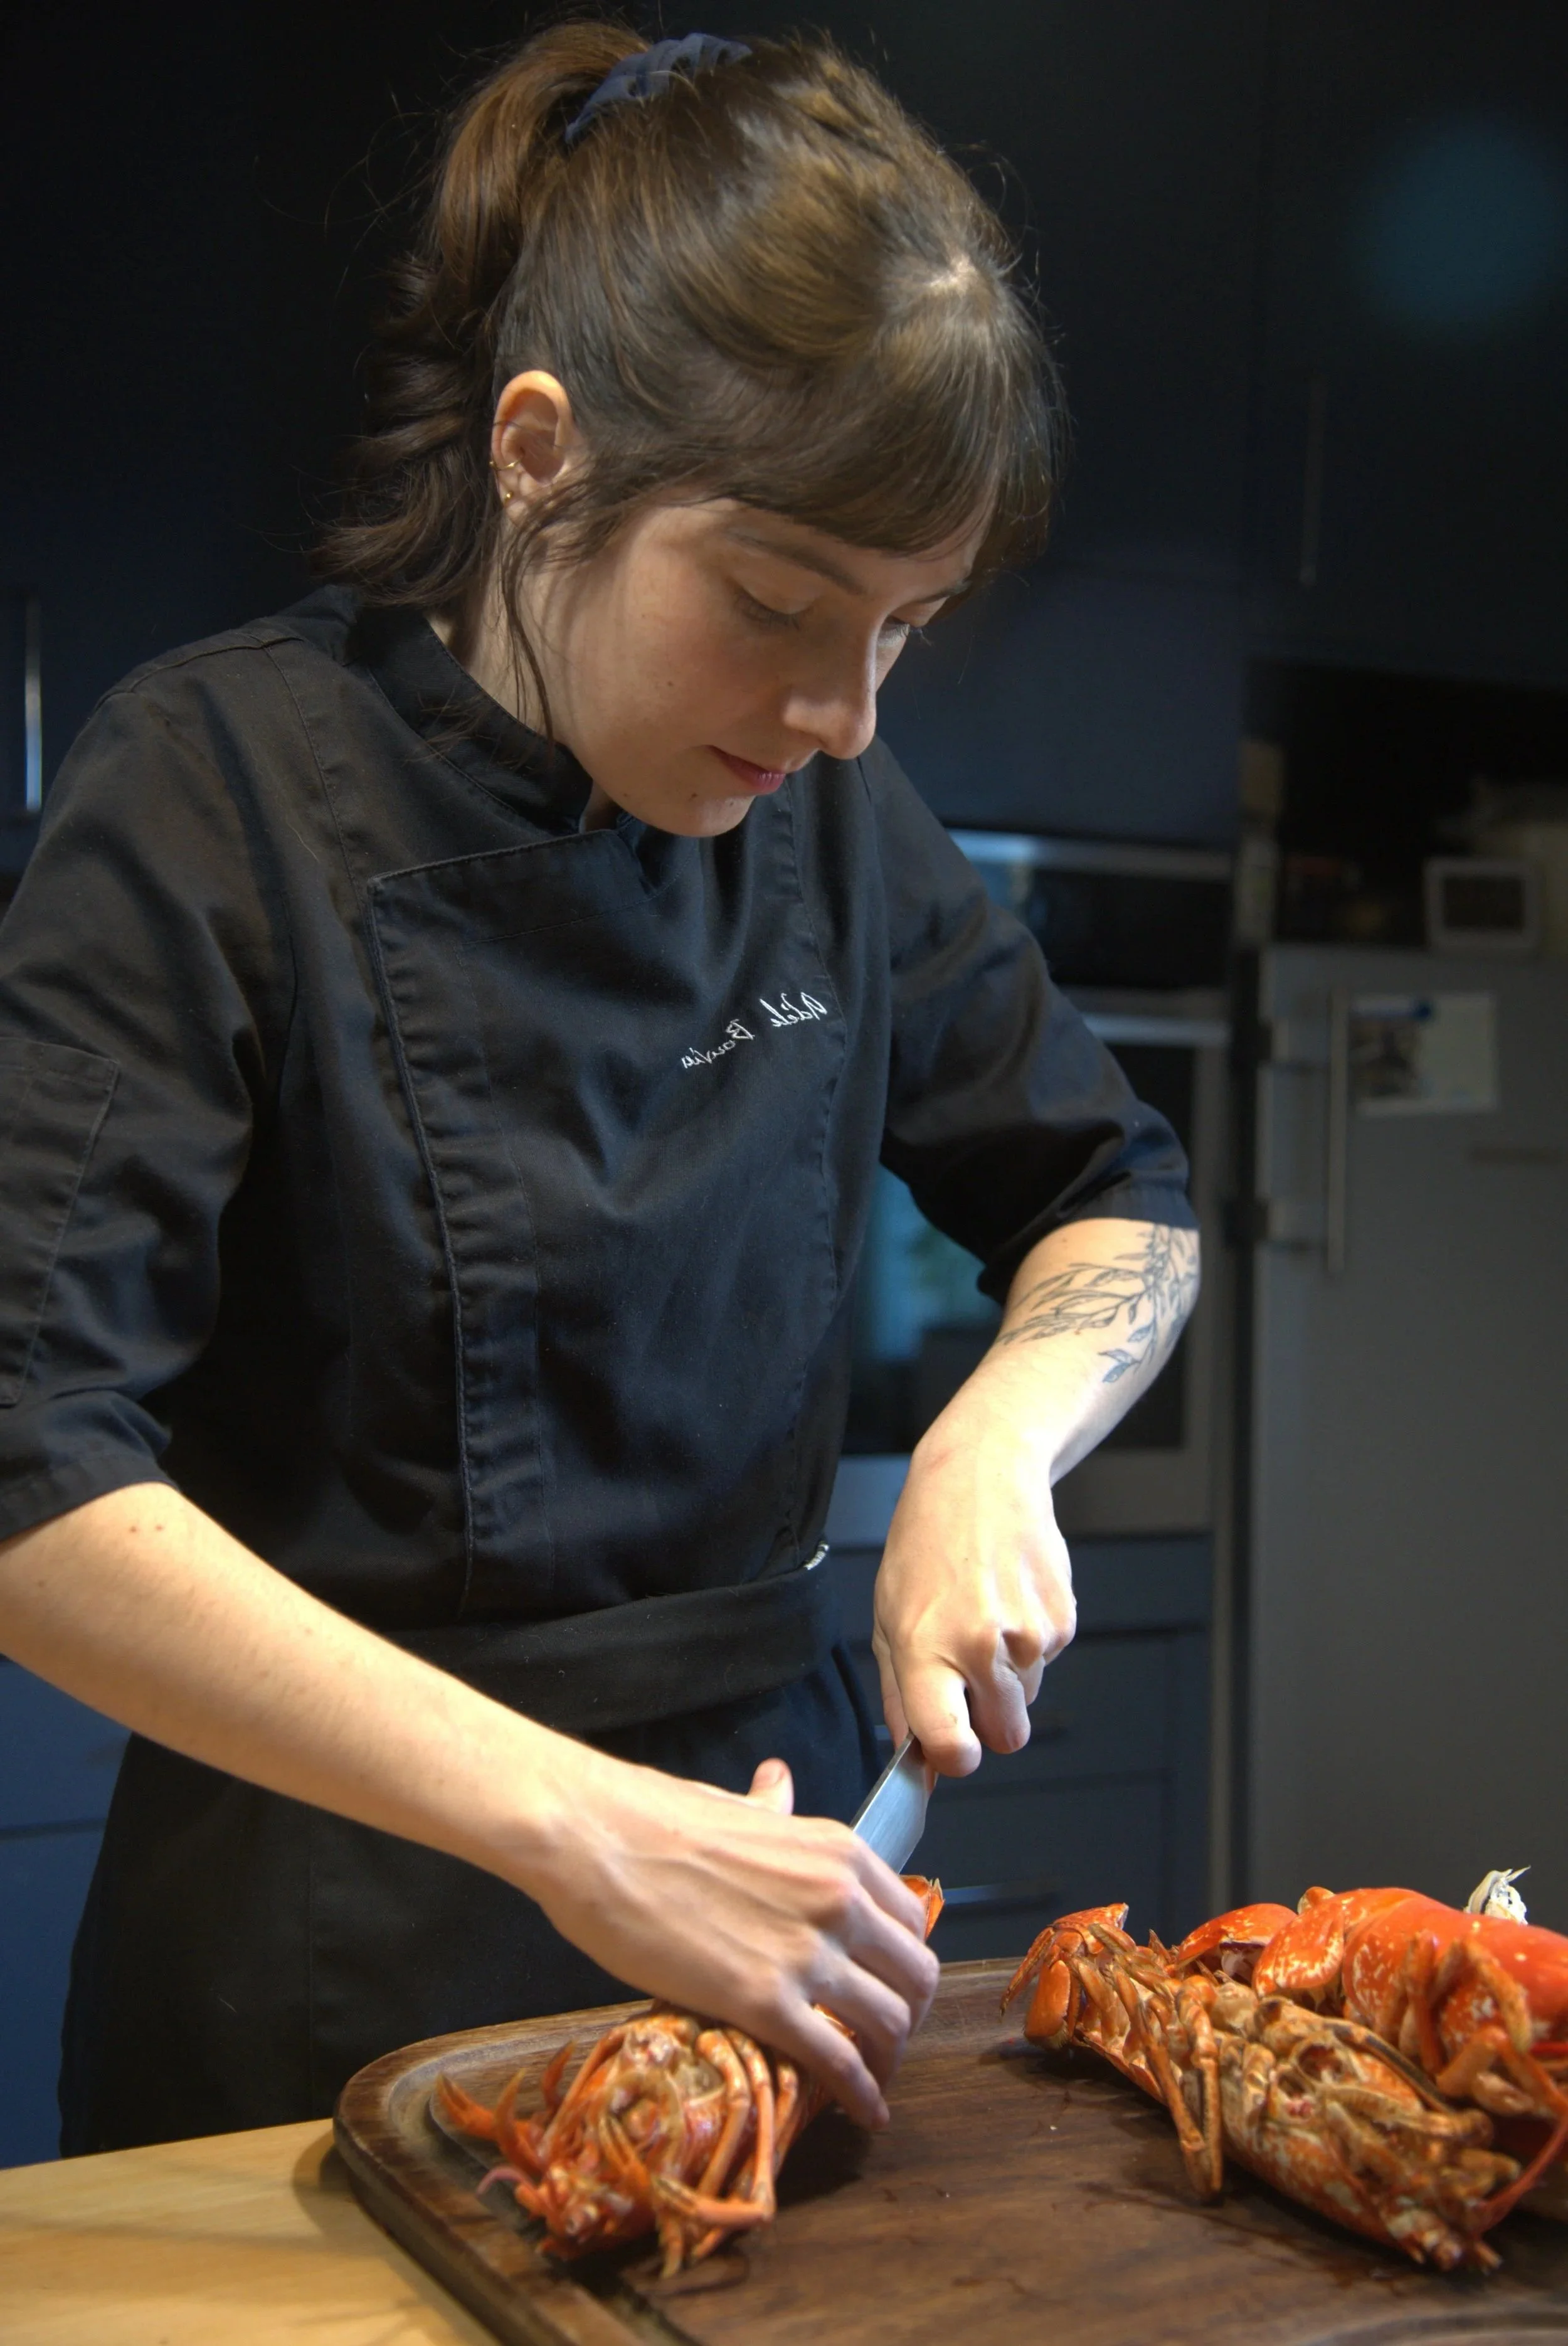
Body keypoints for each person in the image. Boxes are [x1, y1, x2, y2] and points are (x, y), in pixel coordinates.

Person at [0, 24, 1199, 2156]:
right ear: (540, 450)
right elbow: (22, 1462)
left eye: (906, 629)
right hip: (331, 1944)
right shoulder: (208, 792)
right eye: (774, 603)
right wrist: (576, 1826)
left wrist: (996, 1440)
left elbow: (1118, 1189)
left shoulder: (827, 815)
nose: (839, 715)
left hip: (786, 1883)